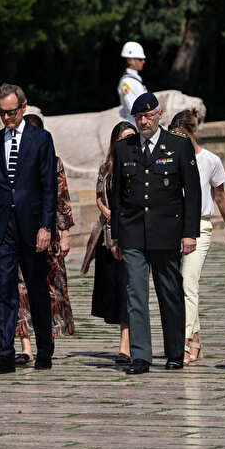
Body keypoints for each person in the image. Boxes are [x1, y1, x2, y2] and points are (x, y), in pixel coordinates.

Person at [110, 92, 201, 374]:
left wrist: (189, 233)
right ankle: (141, 355)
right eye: (138, 117)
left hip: (167, 231)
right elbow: (117, 197)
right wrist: (115, 236)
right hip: (133, 231)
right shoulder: (125, 147)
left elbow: (192, 192)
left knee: (169, 292)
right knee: (135, 293)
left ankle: (175, 352)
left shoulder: (178, 145)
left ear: (159, 115)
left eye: (148, 116)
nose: (144, 121)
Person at [0, 84, 58, 374]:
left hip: (33, 224)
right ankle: (6, 354)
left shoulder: (41, 139)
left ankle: (44, 350)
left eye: (11, 111)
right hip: (3, 226)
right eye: (1, 112)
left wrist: (46, 227)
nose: (7, 117)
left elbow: (49, 187)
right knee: (5, 290)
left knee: (38, 289)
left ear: (23, 108)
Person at [167, 109, 225, 363]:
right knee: (179, 284)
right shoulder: (170, 158)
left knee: (188, 280)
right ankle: (195, 337)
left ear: (193, 132)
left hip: (201, 227)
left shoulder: (210, 160)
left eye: (181, 135)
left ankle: (184, 340)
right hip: (174, 227)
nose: (177, 140)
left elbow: (220, 195)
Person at [14, 114, 74, 364]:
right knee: (19, 291)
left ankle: (44, 344)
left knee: (46, 291)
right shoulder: (11, 159)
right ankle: (25, 346)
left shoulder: (55, 162)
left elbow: (61, 198)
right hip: (16, 231)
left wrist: (65, 233)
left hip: (47, 234)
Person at [84, 121, 136, 364]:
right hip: (108, 237)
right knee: (115, 290)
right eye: (124, 138)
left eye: (132, 138)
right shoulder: (106, 168)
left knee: (129, 289)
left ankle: (125, 345)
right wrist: (104, 209)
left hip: (132, 235)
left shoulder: (140, 165)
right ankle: (127, 338)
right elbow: (98, 195)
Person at [117, 41, 149, 126]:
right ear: (130, 60)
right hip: (136, 124)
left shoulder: (135, 80)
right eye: (140, 59)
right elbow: (133, 108)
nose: (143, 61)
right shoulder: (127, 82)